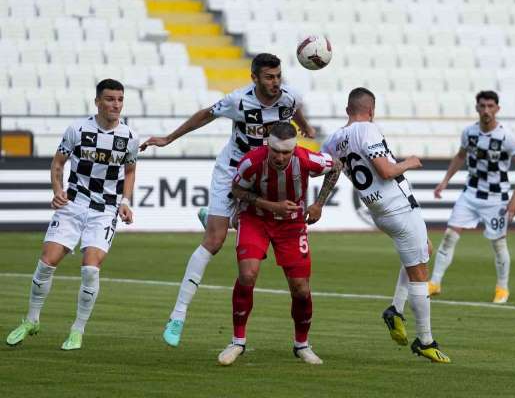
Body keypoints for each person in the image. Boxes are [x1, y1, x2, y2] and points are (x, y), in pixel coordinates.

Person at [139, 53, 316, 347]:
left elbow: (294, 110)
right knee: (215, 240)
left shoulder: (289, 98)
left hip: (264, 173)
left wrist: (306, 128)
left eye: (278, 76)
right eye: (269, 77)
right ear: (254, 78)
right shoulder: (239, 101)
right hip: (233, 170)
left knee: (255, 223)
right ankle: (178, 315)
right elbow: (205, 114)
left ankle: (214, 217)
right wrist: (169, 139)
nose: (275, 83)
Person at [5, 79, 139, 350]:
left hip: (105, 211)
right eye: (110, 99)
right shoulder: (77, 129)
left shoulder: (129, 137)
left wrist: (125, 201)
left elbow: (130, 170)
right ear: (97, 102)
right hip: (74, 205)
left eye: (120, 99)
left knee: (90, 268)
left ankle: (77, 330)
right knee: (47, 261)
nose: (116, 104)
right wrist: (58, 190)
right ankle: (31, 320)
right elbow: (58, 163)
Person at [321, 87, 450, 364]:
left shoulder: (332, 141)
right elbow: (386, 170)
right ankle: (425, 340)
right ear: (371, 111)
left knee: (422, 249)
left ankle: (395, 310)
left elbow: (331, 172)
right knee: (420, 273)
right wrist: (410, 162)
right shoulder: (368, 129)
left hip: (378, 210)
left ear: (347, 110)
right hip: (399, 207)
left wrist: (319, 203)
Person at [216, 122, 342, 366]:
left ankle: (302, 345)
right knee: (248, 274)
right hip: (255, 219)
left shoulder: (307, 159)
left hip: (291, 226)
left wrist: (318, 204)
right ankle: (237, 341)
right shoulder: (252, 161)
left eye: (286, 152)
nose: (281, 157)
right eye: (276, 151)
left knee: (301, 289)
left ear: (294, 149)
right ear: (268, 145)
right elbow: (236, 189)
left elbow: (336, 166)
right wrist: (271, 206)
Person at [428, 90, 515, 304]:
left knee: (498, 244)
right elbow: (460, 156)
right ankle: (435, 283)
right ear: (476, 108)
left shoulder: (506, 137)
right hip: (470, 194)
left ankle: (502, 288)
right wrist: (445, 180)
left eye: (490, 106)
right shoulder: (469, 133)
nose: (486, 110)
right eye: (482, 106)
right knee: (449, 236)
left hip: (497, 198)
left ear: (497, 109)